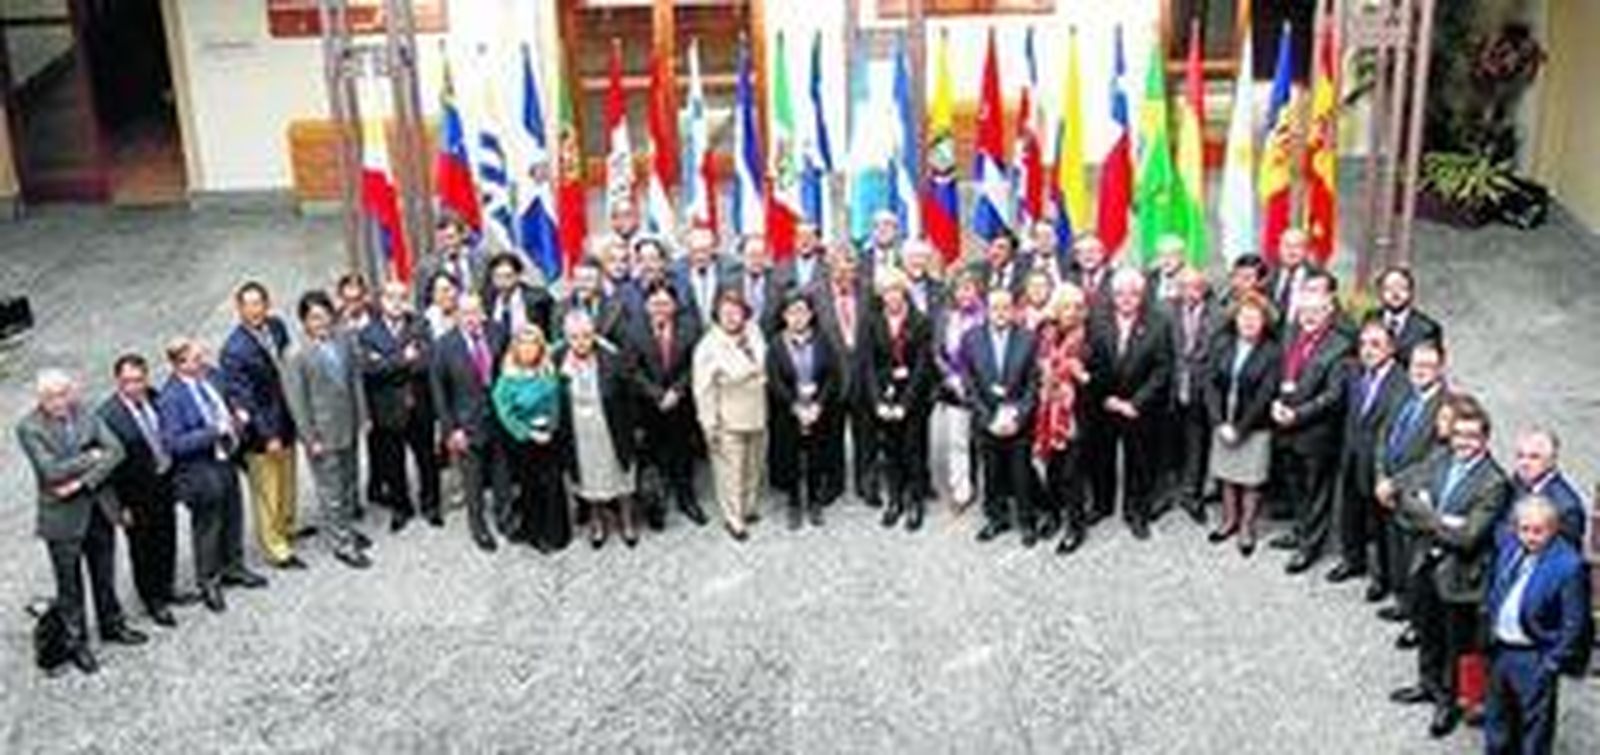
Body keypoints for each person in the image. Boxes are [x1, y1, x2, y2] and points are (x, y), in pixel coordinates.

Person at [1384, 395, 1510, 739]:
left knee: (1455, 643)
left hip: (1458, 574)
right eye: (1458, 435)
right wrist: (1441, 519)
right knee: (1427, 630)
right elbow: (1406, 499)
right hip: (1426, 561)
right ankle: (1427, 684)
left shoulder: (1494, 482)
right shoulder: (1441, 458)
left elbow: (1468, 537)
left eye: (1472, 436)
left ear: (1485, 439)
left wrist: (1425, 513)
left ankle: (1449, 702)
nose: (1463, 443)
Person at [18, 369, 142, 674]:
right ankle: (76, 642)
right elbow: (51, 472)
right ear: (41, 399)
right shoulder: (29, 427)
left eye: (64, 394)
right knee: (69, 585)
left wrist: (82, 483)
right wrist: (92, 457)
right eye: (52, 397)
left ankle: (112, 624)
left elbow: (117, 451)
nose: (61, 402)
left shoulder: (85, 411)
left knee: (104, 573)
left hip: (99, 508)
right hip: (62, 518)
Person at [158, 337, 269, 612]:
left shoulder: (210, 376)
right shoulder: (171, 398)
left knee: (233, 515)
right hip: (200, 469)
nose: (202, 362)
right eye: (196, 359)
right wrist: (214, 432)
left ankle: (234, 567)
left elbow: (229, 396)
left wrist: (237, 411)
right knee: (208, 527)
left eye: (201, 356)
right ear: (179, 364)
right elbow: (173, 443)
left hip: (226, 459)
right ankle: (208, 581)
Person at [1483, 496, 1592, 755]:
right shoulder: (1511, 547)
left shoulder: (1568, 566)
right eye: (1524, 529)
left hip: (1534, 656)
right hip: (1501, 650)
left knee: (1534, 731)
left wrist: (1552, 662)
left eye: (1538, 531)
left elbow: (1574, 622)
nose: (1530, 537)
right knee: (1497, 722)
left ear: (1553, 529)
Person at [283, 290, 373, 570]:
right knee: (330, 489)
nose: (321, 322)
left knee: (348, 482)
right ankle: (342, 544)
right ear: (304, 321)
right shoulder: (295, 354)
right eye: (314, 318)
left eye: (325, 316)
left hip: (348, 423)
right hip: (322, 433)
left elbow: (354, 379)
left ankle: (345, 528)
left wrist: (363, 415)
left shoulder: (342, 339)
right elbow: (297, 403)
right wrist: (310, 439)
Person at [98, 354, 189, 627]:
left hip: (163, 482)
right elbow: (110, 469)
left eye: (139, 380)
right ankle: (152, 599)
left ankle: (167, 587)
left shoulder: (154, 397)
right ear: (118, 381)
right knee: (142, 548)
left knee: (167, 537)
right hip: (134, 495)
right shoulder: (108, 416)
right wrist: (120, 507)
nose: (134, 387)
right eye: (127, 381)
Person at [219, 281, 302, 570]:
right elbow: (244, 399)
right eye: (248, 304)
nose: (255, 310)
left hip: (286, 418)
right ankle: (275, 546)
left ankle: (287, 526)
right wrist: (268, 435)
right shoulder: (234, 350)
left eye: (259, 303)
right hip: (262, 432)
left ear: (268, 304)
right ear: (239, 309)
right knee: (268, 489)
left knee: (288, 480)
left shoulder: (277, 327)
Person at [1086, 268, 1173, 540]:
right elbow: (1091, 362)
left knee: (1139, 462)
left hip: (1140, 408)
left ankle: (1136, 512)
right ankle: (1102, 504)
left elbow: (1163, 369)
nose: (1126, 298)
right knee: (1102, 457)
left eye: (1133, 293)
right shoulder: (1097, 321)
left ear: (1141, 295)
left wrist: (1136, 403)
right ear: (1113, 296)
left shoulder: (1158, 323)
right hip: (1105, 404)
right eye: (1120, 293)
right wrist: (1105, 397)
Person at [1268, 287, 1351, 573]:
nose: (1309, 317)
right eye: (1304, 311)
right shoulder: (1291, 333)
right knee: (1295, 485)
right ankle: (1300, 530)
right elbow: (1281, 373)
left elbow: (1333, 396)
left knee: (1317, 490)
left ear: (1329, 312)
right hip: (1286, 426)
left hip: (1316, 433)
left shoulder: (1340, 346)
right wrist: (1276, 403)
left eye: (1316, 311)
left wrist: (1297, 414)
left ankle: (1310, 546)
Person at [1326, 321, 1410, 584]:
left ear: (1391, 348)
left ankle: (1382, 576)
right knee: (1350, 513)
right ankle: (1353, 560)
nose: (1367, 350)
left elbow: (1396, 432)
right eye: (1363, 344)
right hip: (1351, 456)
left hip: (1378, 463)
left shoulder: (1402, 382)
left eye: (1376, 344)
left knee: (1379, 523)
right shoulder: (1356, 372)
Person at [1373, 341, 1451, 618]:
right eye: (1417, 365)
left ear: (1441, 368)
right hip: (1387, 487)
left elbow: (1437, 459)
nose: (1420, 371)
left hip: (1414, 494)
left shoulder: (1447, 407)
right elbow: (1383, 435)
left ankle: (1415, 614)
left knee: (1414, 556)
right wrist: (1381, 475)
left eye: (1428, 366)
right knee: (1396, 550)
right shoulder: (1403, 394)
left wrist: (1395, 484)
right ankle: (1401, 599)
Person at [358, 280, 442, 531]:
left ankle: (431, 506)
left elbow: (425, 362)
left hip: (420, 406)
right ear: (381, 300)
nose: (396, 303)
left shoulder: (420, 324)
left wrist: (387, 361)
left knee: (427, 460)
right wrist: (403, 358)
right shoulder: (368, 332)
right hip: (387, 409)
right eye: (391, 297)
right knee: (393, 463)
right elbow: (369, 369)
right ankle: (401, 509)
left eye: (402, 297)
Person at [624, 284, 708, 529]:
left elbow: (696, 364)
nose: (660, 309)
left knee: (683, 453)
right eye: (655, 304)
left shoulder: (690, 327)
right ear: (646, 306)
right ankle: (656, 505)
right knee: (653, 456)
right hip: (648, 406)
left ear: (675, 306)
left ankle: (686, 498)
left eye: (665, 304)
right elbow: (631, 369)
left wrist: (677, 391)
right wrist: (657, 394)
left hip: (681, 404)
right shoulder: (633, 330)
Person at [1204, 292, 1282, 556]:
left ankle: (1247, 528)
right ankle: (1229, 521)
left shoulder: (1272, 351)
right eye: (1243, 317)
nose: (1248, 322)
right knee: (1227, 475)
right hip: (1222, 422)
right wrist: (1218, 422)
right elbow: (1209, 383)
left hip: (1254, 427)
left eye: (1254, 318)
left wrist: (1240, 429)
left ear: (1264, 322)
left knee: (1251, 480)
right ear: (1235, 319)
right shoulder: (1222, 343)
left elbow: (1265, 395)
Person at [430, 293, 509, 552]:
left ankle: (505, 519)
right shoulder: (443, 346)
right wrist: (451, 430)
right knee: (473, 481)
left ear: (483, 312)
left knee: (501, 474)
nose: (472, 318)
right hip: (466, 424)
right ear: (457, 315)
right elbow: (439, 393)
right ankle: (479, 527)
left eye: (475, 312)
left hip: (498, 418)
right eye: (465, 313)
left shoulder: (498, 333)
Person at [963, 288, 1040, 545]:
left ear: (1014, 310)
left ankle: (1027, 521)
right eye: (995, 307)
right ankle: (996, 518)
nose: (1000, 313)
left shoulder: (1029, 338)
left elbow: (1034, 384)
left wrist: (1019, 416)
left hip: (1019, 422)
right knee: (992, 472)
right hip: (987, 420)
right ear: (987, 310)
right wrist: (988, 419)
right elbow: (970, 384)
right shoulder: (971, 338)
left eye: (1006, 307)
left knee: (1021, 473)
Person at [558, 310, 640, 548]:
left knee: (620, 474)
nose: (581, 342)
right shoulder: (557, 360)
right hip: (579, 431)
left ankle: (626, 518)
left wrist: (634, 427)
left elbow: (629, 396)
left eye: (586, 335)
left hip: (611, 426)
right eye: (574, 337)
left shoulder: (611, 357)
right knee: (589, 477)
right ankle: (597, 519)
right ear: (566, 338)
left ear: (594, 334)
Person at [864, 269, 936, 530]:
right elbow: (869, 365)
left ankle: (915, 501)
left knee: (913, 450)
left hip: (913, 397)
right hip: (886, 396)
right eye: (887, 291)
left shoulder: (920, 321)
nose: (892, 296)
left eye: (896, 290)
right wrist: (877, 401)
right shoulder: (872, 321)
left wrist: (906, 404)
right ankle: (895, 499)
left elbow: (922, 367)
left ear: (904, 292)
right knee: (891, 451)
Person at [693, 290, 769, 541]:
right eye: (725, 312)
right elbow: (703, 389)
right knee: (730, 472)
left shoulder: (754, 332)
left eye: (736, 311)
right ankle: (734, 518)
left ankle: (748, 508)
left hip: (757, 414)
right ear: (716, 315)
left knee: (753, 466)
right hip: (727, 418)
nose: (731, 317)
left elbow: (764, 367)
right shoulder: (708, 346)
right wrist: (709, 424)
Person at [491, 324, 571, 552]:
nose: (528, 350)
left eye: (533, 345)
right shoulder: (507, 379)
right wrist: (527, 433)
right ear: (516, 348)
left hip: (550, 437)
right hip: (524, 442)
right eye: (524, 345)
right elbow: (504, 412)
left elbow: (555, 402)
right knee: (531, 487)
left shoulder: (547, 370)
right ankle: (536, 533)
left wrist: (551, 428)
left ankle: (557, 534)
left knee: (553, 485)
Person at [767, 291, 843, 529]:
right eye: (792, 312)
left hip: (818, 410)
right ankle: (794, 502)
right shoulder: (776, 344)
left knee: (816, 457)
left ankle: (813, 500)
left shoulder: (823, 340)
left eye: (802, 311)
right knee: (790, 458)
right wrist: (795, 407)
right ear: (784, 316)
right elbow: (774, 381)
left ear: (811, 315)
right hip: (788, 411)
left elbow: (832, 376)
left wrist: (819, 404)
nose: (798, 317)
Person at [814, 243, 878, 507]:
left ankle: (867, 482)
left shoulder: (869, 293)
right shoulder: (814, 295)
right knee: (831, 435)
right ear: (829, 269)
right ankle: (834, 482)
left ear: (856, 269)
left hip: (864, 377)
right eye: (837, 269)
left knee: (866, 435)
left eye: (849, 268)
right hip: (832, 379)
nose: (843, 275)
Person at [1034, 284, 1092, 554]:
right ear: (1057, 309)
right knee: (1052, 470)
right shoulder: (1047, 336)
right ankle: (1053, 515)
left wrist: (1082, 377)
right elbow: (1036, 369)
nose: (1072, 312)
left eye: (1077, 307)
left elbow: (1102, 377)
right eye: (1066, 307)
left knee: (1072, 474)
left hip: (1076, 415)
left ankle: (1075, 527)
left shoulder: (1089, 338)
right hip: (1048, 412)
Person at [1165, 266, 1218, 523]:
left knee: (1198, 442)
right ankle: (1166, 493)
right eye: (1184, 286)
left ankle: (1192, 493)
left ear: (1204, 288)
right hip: (1171, 387)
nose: (1189, 292)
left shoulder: (1219, 314)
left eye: (1195, 286)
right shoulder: (1165, 310)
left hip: (1202, 389)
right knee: (1167, 443)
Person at [933, 268, 986, 511]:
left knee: (986, 442)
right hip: (955, 389)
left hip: (983, 388)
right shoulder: (945, 317)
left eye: (969, 288)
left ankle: (993, 489)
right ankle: (961, 490)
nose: (964, 294)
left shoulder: (988, 315)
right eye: (959, 289)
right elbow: (937, 352)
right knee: (957, 441)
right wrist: (950, 377)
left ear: (978, 291)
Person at [1508, 428, 1588, 547]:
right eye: (1520, 456)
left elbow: (1565, 552)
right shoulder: (1516, 484)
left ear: (1551, 461)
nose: (1524, 463)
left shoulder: (1567, 506)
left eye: (1534, 457)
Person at [414, 212, 483, 308]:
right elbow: (421, 303)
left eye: (451, 237)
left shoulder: (481, 259)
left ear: (463, 235)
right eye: (442, 240)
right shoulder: (427, 266)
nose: (447, 244)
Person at [1375, 267, 1443, 363]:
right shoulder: (1369, 320)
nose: (1395, 293)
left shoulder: (1427, 329)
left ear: (1411, 292)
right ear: (1379, 292)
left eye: (1401, 288)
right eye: (1389, 288)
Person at [672, 225, 733, 332]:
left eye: (704, 251)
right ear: (688, 251)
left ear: (713, 249)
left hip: (721, 334)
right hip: (688, 336)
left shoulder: (730, 270)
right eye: (695, 251)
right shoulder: (674, 273)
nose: (700, 257)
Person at [484, 251, 555, 343]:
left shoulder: (538, 299)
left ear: (518, 276)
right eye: (498, 277)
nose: (502, 282)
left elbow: (551, 331)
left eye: (508, 276)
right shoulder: (488, 300)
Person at [1266, 228, 1321, 325]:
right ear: (1279, 249)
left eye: (1297, 246)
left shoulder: (1318, 278)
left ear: (1306, 251)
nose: (1291, 251)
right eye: (1287, 246)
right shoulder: (1270, 277)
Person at [734, 234, 781, 335]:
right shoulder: (729, 284)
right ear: (742, 256)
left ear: (768, 257)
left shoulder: (779, 284)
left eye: (761, 255)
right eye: (752, 255)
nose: (756, 260)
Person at [775, 221, 829, 294]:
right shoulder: (782, 267)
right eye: (801, 237)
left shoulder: (827, 268)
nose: (805, 241)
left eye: (809, 237)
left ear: (816, 241)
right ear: (794, 240)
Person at [978, 231, 1030, 297]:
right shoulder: (982, 272)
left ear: (1012, 253)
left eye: (1001, 247)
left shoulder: (1024, 275)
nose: (994, 252)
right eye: (992, 246)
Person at [423, 272, 462, 340]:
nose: (451, 294)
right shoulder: (423, 326)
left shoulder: (463, 323)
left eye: (453, 290)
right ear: (433, 294)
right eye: (445, 290)